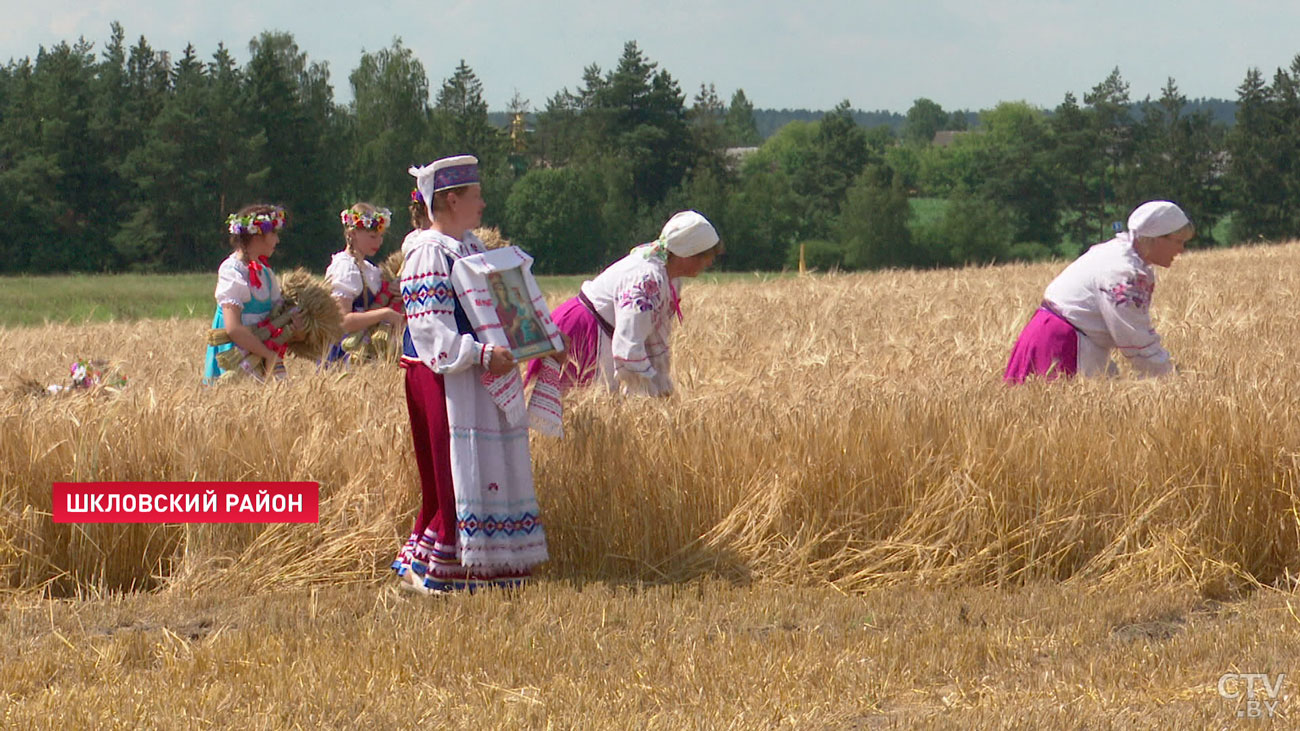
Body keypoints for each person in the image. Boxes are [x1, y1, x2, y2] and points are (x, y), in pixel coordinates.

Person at [392, 154, 548, 594]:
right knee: (453, 469)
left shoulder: (471, 246)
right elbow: (428, 326)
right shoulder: (426, 251)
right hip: (443, 375)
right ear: (451, 199)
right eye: (475, 195)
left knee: (482, 465)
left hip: (477, 371)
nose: (483, 203)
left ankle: (486, 566)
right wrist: (479, 354)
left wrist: (534, 336)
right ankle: (441, 567)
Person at [526, 210, 722, 397]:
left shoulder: (667, 273)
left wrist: (661, 384)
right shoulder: (647, 280)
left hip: (596, 330)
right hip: (581, 335)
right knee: (569, 414)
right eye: (705, 255)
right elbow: (629, 347)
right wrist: (649, 393)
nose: (709, 262)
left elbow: (651, 339)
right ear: (687, 253)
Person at [1004, 200, 1194, 383]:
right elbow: (1134, 338)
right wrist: (1171, 377)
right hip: (1061, 346)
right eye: (1178, 241)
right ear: (1157, 239)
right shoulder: (1122, 272)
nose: (1181, 250)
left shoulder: (1119, 254)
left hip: (1056, 335)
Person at [203, 204, 294, 382]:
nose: (277, 240)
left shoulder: (266, 273)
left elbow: (276, 318)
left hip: (261, 358)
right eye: (273, 233)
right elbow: (234, 328)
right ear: (257, 235)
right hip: (236, 358)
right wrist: (267, 354)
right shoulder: (232, 271)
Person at [323, 203, 404, 363]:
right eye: (373, 237)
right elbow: (343, 321)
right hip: (345, 352)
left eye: (381, 236)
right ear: (352, 234)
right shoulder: (345, 267)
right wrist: (385, 314)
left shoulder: (370, 269)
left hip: (366, 352)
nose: (379, 242)